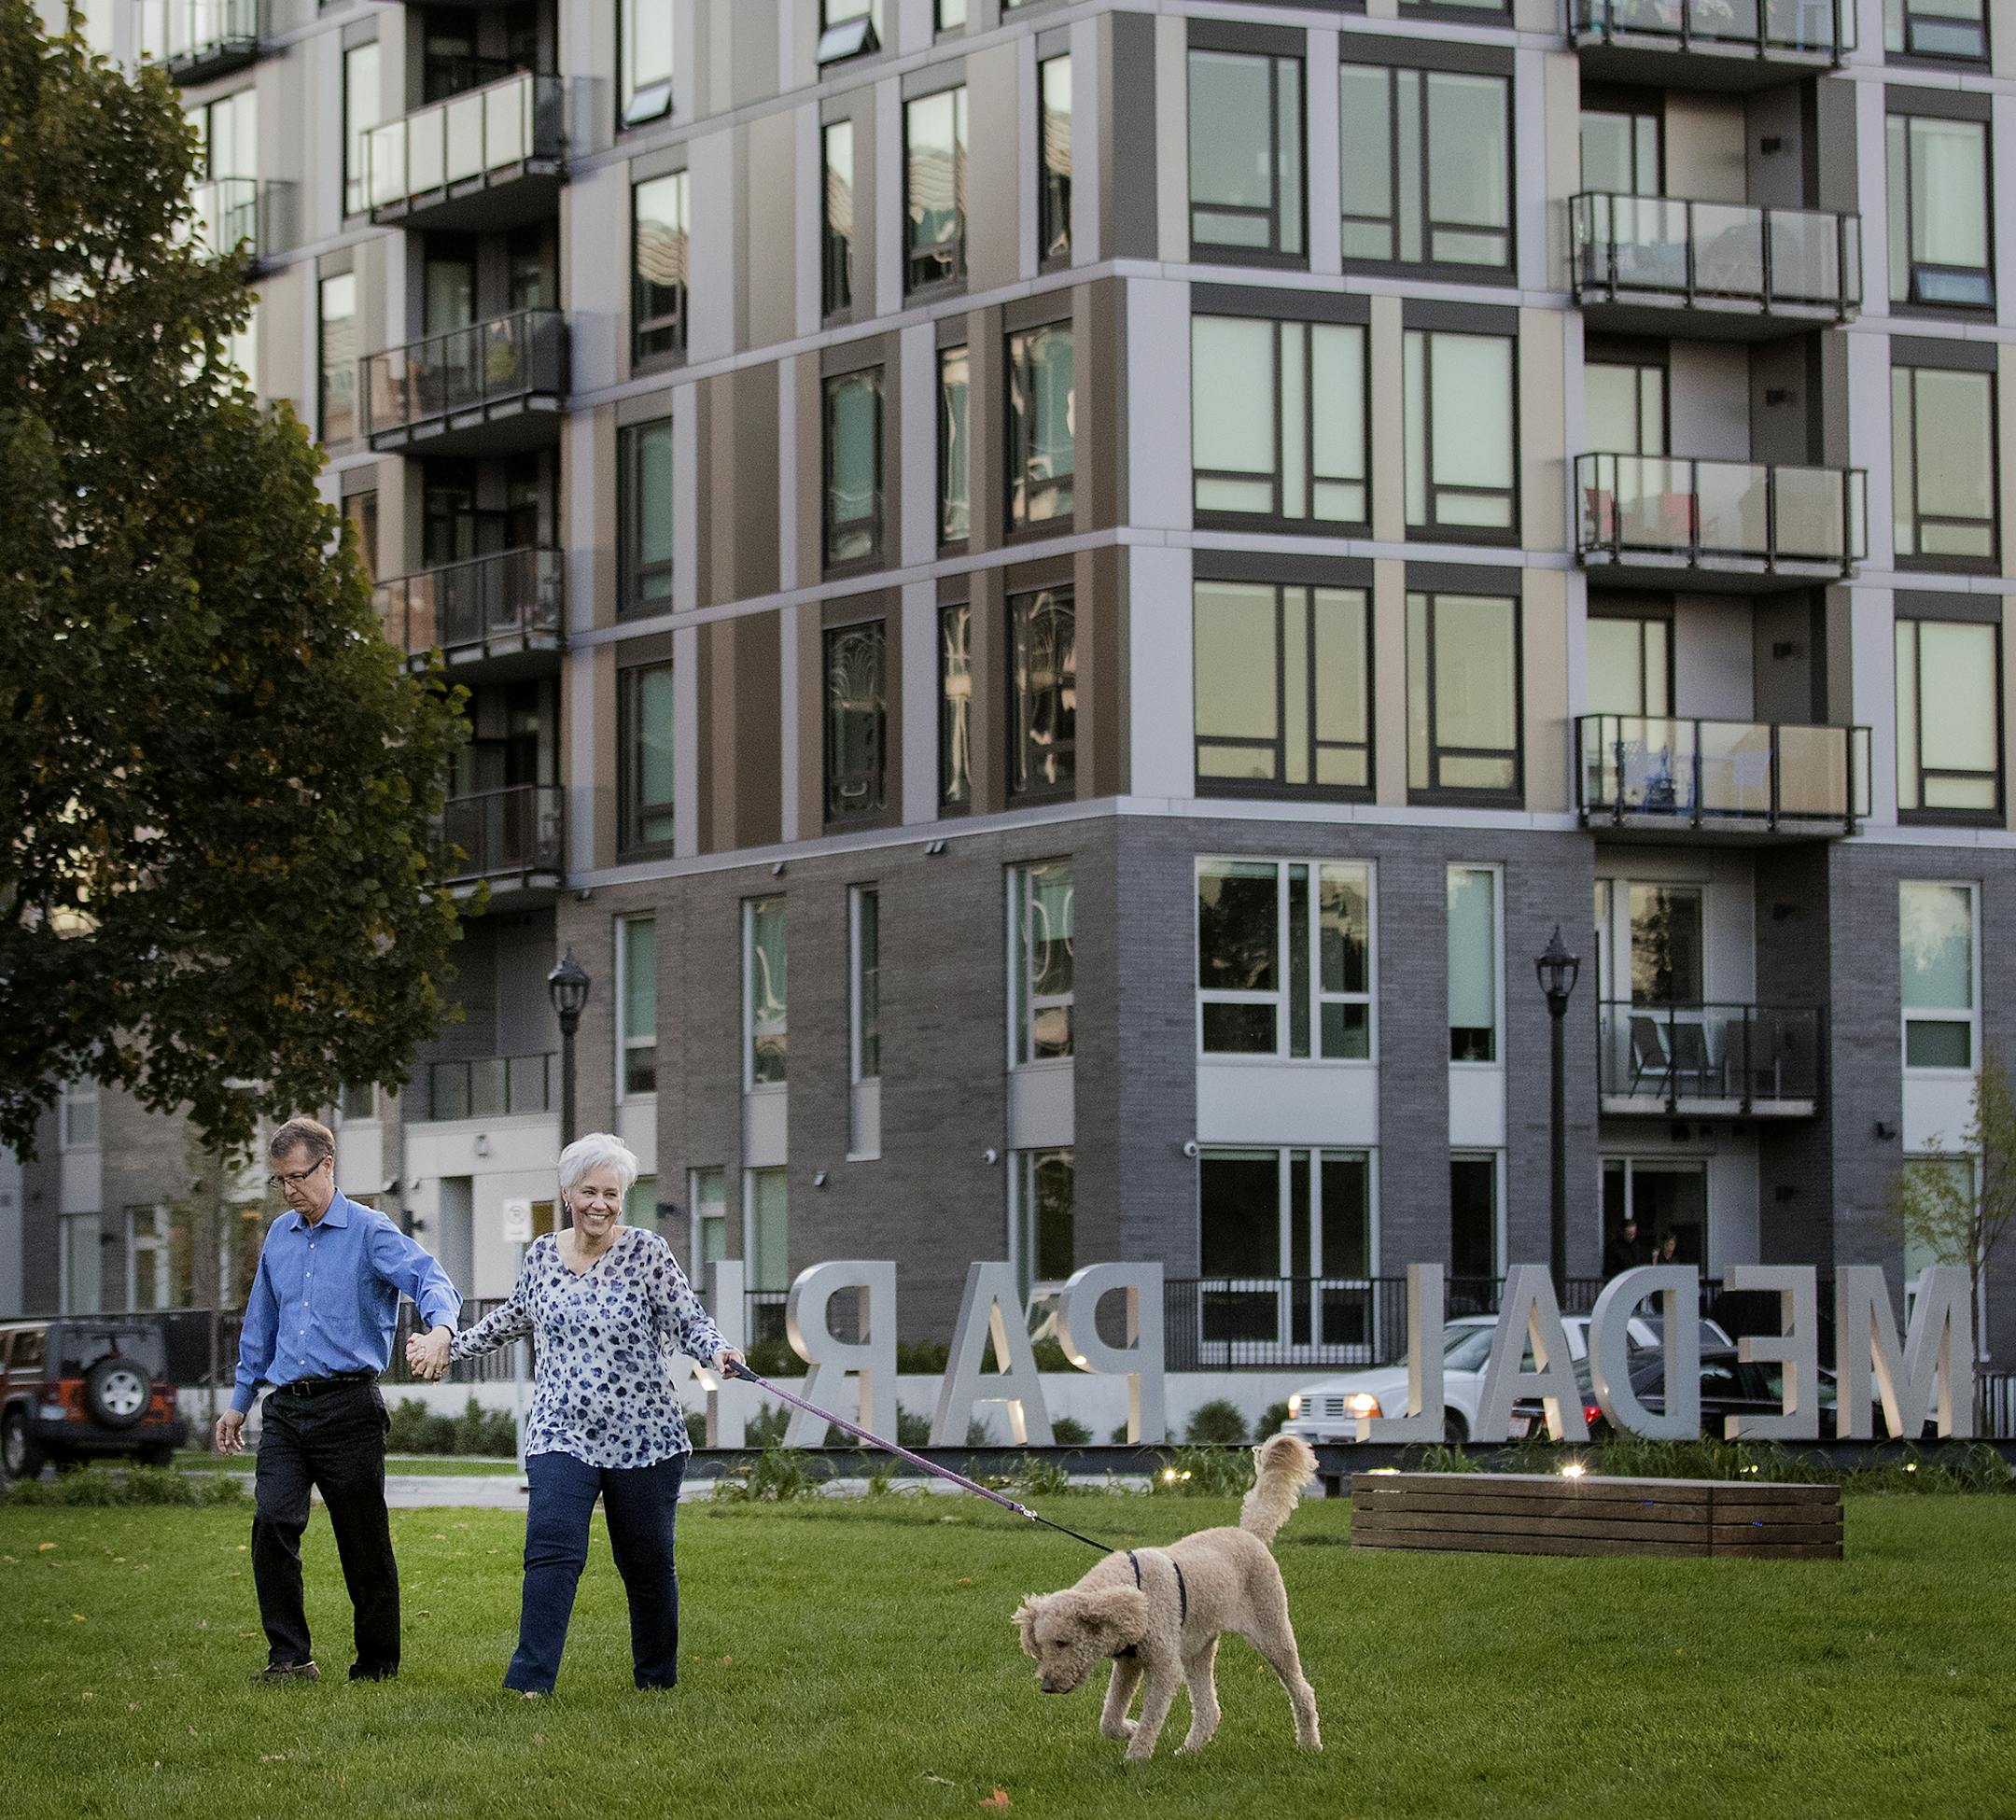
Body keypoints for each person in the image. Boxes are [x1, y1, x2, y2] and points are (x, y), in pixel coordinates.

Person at [409, 1132, 744, 1698]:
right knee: (551, 1545)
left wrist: (718, 1350)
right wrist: (451, 1345)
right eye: (589, 1191)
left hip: (645, 1436)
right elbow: (513, 1317)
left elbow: (689, 1319)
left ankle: (656, 1683)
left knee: (645, 1563)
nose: (600, 1204)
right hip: (561, 1430)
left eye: (611, 1194)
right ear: (568, 1192)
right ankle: (529, 1685)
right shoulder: (541, 1255)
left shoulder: (647, 1253)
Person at [217, 1115, 460, 1684]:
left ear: (328, 1165)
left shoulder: (370, 1231)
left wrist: (441, 1330)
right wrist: (239, 1399)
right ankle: (290, 1658)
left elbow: (432, 1280)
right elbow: (261, 1323)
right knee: (272, 1522)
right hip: (285, 1409)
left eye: (297, 1177)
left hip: (349, 1407)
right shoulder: (279, 1235)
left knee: (362, 1541)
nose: (289, 1190)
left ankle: (376, 1664)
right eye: (279, 1181)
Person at [1602, 1214, 1648, 1280]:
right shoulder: (1614, 1248)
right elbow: (1609, 1269)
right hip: (1621, 1280)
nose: (1632, 1237)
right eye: (1629, 1235)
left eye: (1634, 1234)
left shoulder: (1638, 1246)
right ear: (1622, 1232)